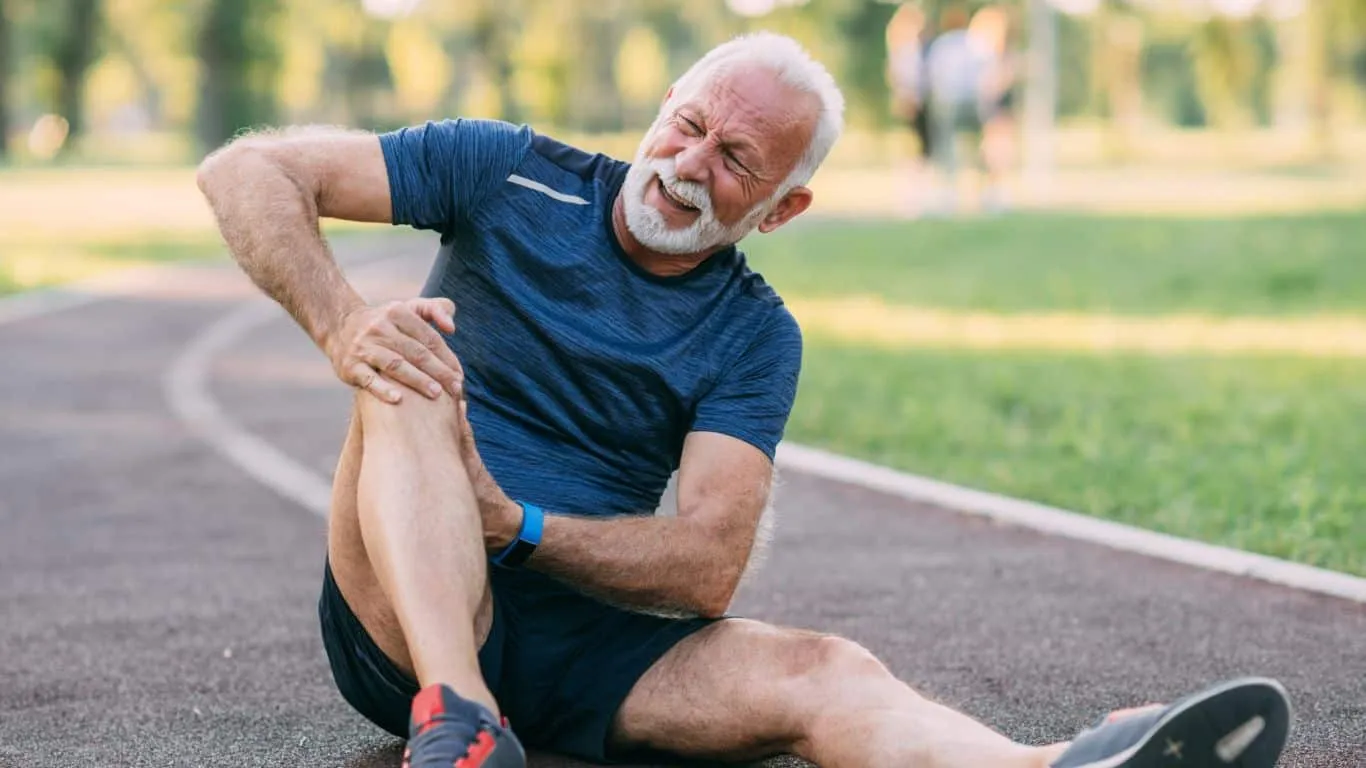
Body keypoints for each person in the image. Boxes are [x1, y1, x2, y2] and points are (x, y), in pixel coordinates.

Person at [196, 31, 1292, 768]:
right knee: (407, 364)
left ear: (780, 206)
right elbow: (242, 175)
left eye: (734, 160)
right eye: (687, 126)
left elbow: (707, 564)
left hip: (588, 646)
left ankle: (1051, 763)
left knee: (826, 668)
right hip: (400, 613)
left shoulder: (755, 334)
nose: (686, 165)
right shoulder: (504, 171)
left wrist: (513, 525)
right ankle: (460, 715)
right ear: (663, 105)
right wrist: (343, 322)